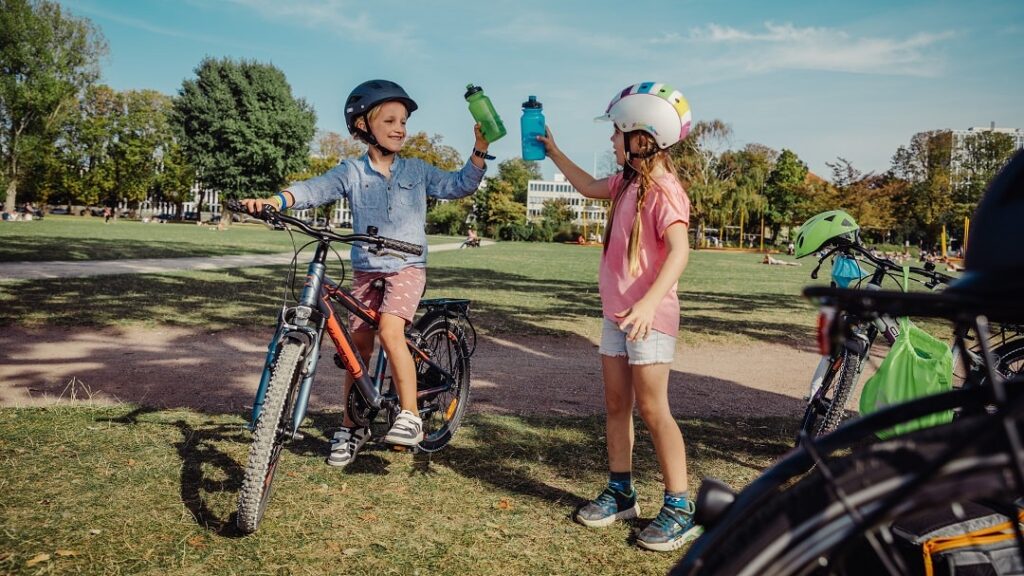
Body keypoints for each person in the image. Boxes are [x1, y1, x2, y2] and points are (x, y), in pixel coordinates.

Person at [240, 79, 490, 467]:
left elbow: (459, 185)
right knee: (356, 347)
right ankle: (351, 427)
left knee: (391, 330)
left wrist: (479, 150)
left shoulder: (418, 171)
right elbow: (314, 189)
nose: (400, 128)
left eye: (403, 121)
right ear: (363, 126)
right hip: (366, 270)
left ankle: (409, 415)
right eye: (389, 120)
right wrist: (276, 200)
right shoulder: (351, 172)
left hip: (406, 267)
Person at [537, 82, 701, 552]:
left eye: (617, 133)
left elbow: (679, 251)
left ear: (643, 138)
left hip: (649, 316)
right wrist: (553, 150)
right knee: (616, 405)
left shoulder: (666, 189)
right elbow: (587, 186)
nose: (612, 141)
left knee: (653, 409)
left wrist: (649, 303)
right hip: (617, 315)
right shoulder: (626, 183)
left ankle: (679, 506)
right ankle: (621, 490)